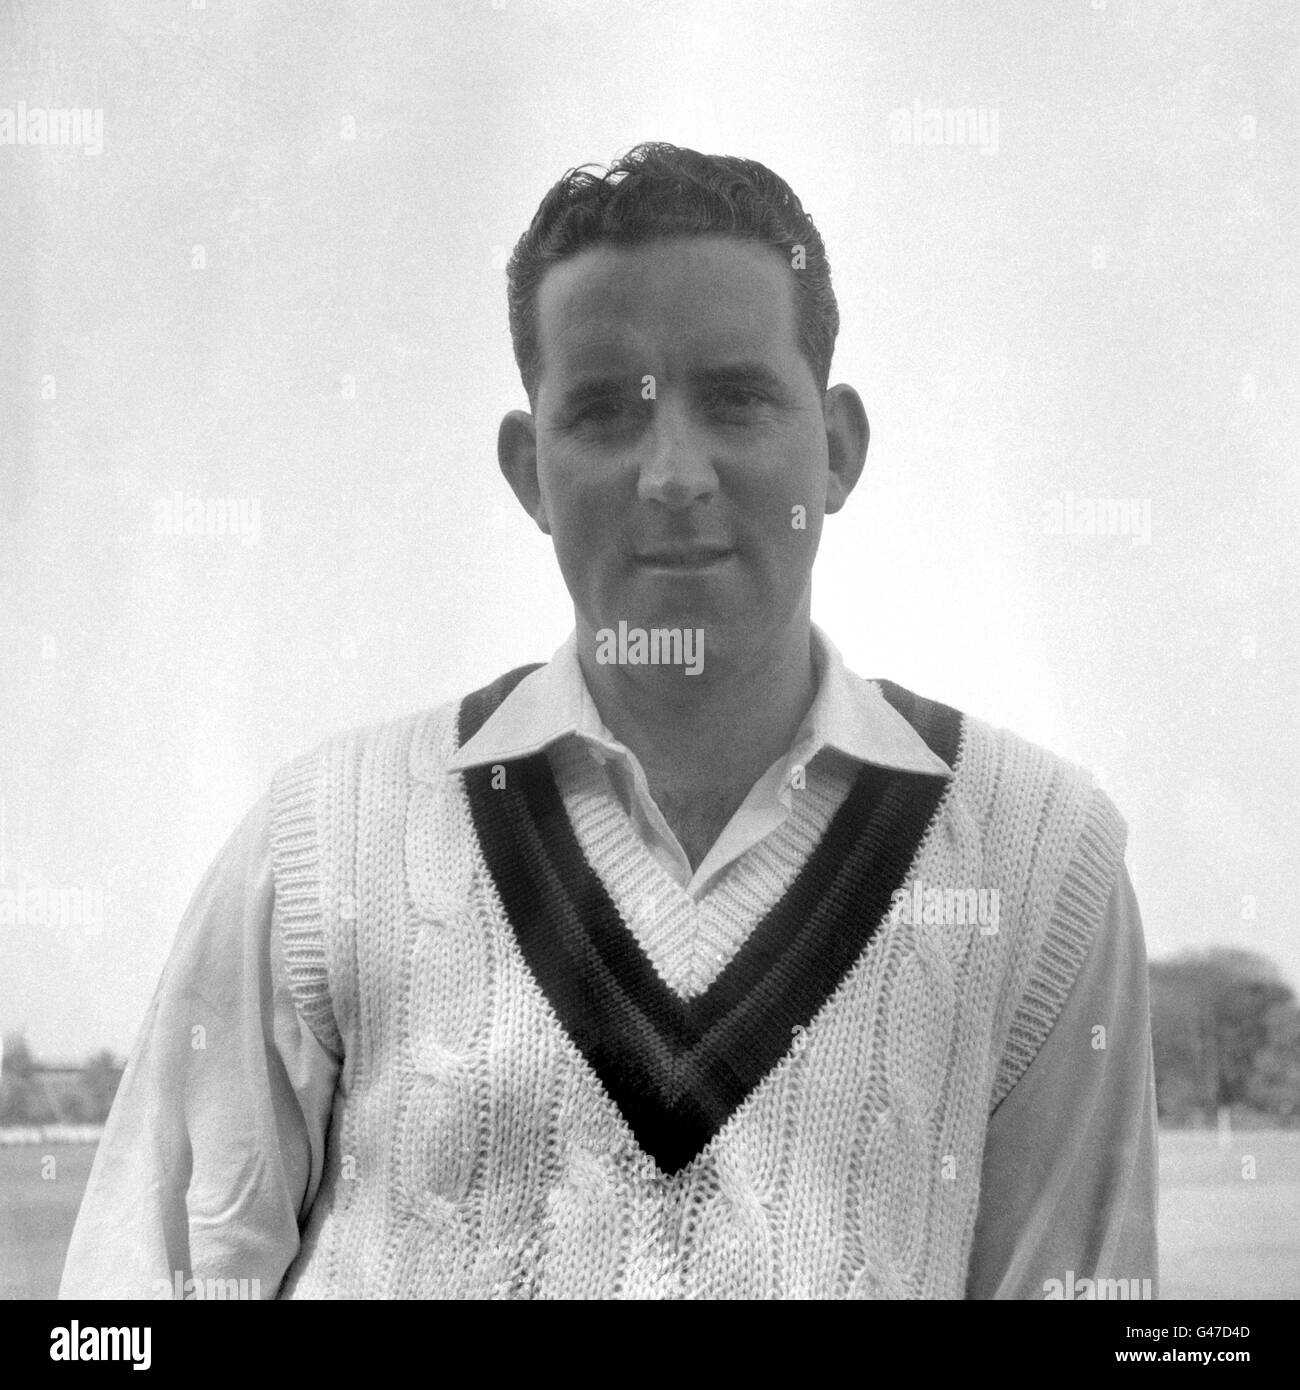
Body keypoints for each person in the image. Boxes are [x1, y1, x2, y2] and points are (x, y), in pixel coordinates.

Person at [60, 142, 1157, 1300]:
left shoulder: (1038, 854)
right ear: (529, 471)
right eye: (603, 413)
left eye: (735, 397)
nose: (673, 473)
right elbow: (137, 1292)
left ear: (835, 447)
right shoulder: (327, 836)